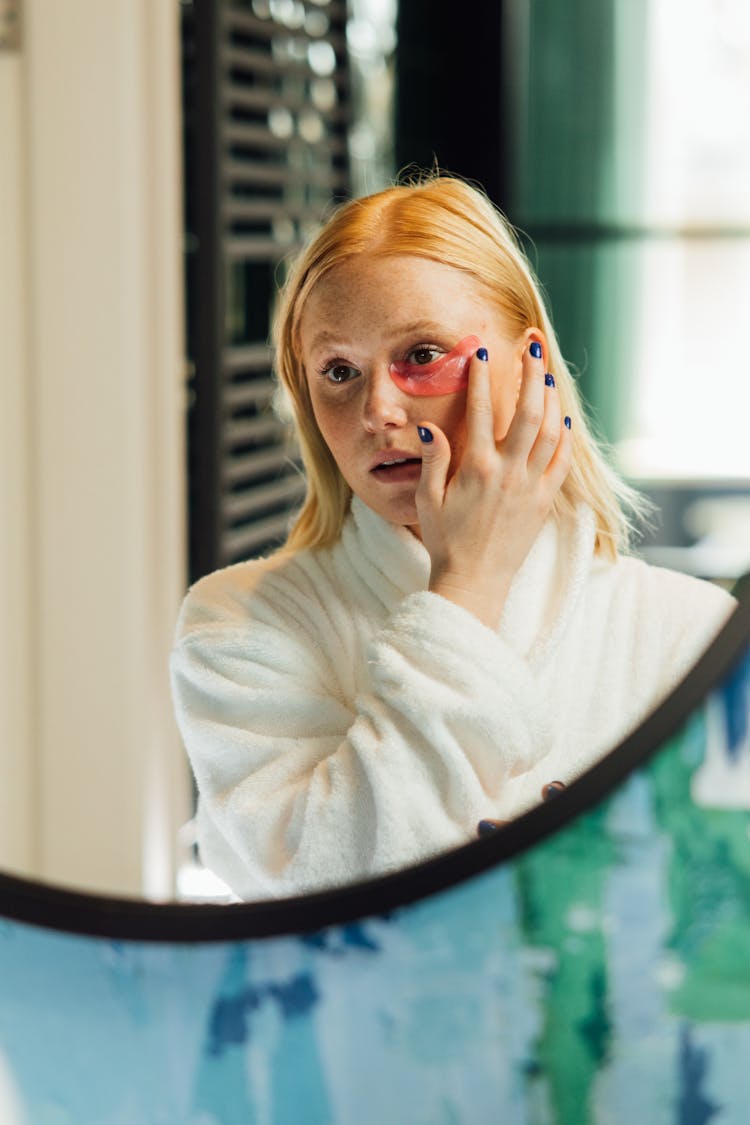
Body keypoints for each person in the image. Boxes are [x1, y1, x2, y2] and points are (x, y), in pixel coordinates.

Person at [170, 175, 735, 902]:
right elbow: (337, 903)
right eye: (338, 371)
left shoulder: (688, 636)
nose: (377, 409)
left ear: (530, 366)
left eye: (422, 353)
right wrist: (467, 588)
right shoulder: (239, 624)